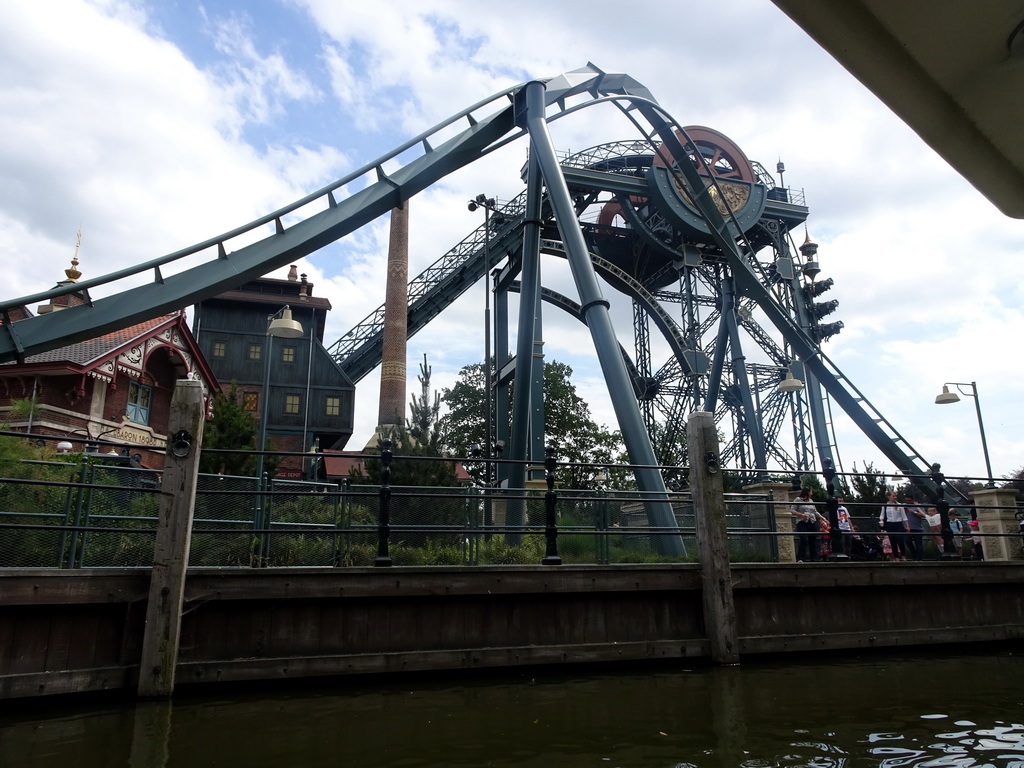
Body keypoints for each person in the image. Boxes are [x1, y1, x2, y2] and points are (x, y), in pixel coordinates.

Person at [790, 487, 818, 562]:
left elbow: (815, 511)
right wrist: (801, 515)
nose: (812, 494)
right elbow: (792, 510)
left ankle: (814, 558)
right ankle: (801, 558)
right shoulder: (798, 500)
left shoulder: (811, 501)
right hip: (802, 522)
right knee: (804, 540)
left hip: (811, 521)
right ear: (807, 493)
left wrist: (823, 518)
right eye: (811, 492)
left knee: (813, 540)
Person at [878, 491, 909, 560]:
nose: (895, 497)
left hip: (898, 523)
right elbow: (882, 515)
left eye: (895, 496)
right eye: (893, 496)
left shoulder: (899, 505)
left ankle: (903, 555)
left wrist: (907, 526)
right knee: (892, 541)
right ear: (889, 497)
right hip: (890, 523)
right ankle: (896, 557)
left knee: (900, 540)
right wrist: (881, 521)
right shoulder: (885, 506)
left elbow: (904, 516)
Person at [903, 493, 926, 560]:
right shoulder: (903, 506)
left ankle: (919, 558)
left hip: (917, 528)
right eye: (906, 500)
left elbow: (923, 515)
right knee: (907, 542)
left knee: (919, 544)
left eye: (909, 500)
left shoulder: (918, 506)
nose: (908, 502)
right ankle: (914, 555)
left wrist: (913, 512)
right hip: (907, 528)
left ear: (912, 500)